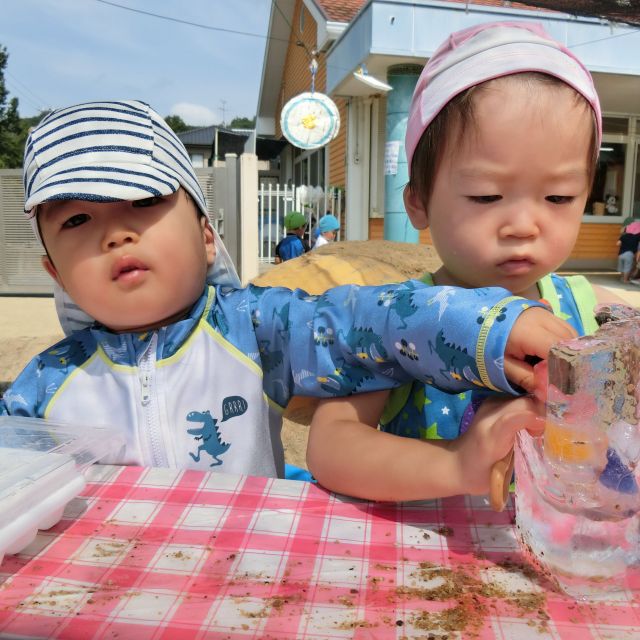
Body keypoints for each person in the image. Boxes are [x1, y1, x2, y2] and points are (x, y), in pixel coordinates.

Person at [0, 99, 571, 480]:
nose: (115, 233)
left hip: (249, 585)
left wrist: (488, 325)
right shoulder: (41, 389)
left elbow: (368, 322)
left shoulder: (256, 329)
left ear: (206, 237)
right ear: (56, 273)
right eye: (76, 220)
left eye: (145, 202)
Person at [306, 21, 629, 502]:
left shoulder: (589, 313)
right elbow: (330, 448)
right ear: (418, 203)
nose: (523, 224)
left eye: (558, 196)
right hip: (425, 556)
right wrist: (458, 463)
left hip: (557, 557)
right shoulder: (399, 323)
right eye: (486, 195)